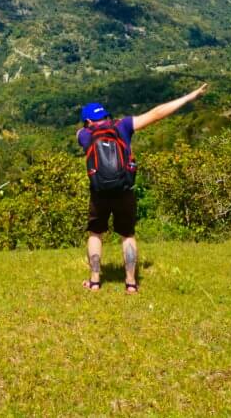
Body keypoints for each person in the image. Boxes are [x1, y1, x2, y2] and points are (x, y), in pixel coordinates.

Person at [78, 84, 209, 294]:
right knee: (127, 234)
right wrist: (189, 97)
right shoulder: (123, 126)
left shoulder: (84, 135)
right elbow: (157, 113)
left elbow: (81, 136)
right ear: (106, 116)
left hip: (100, 192)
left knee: (96, 233)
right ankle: (130, 283)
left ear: (88, 121)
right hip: (124, 189)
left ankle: (94, 281)